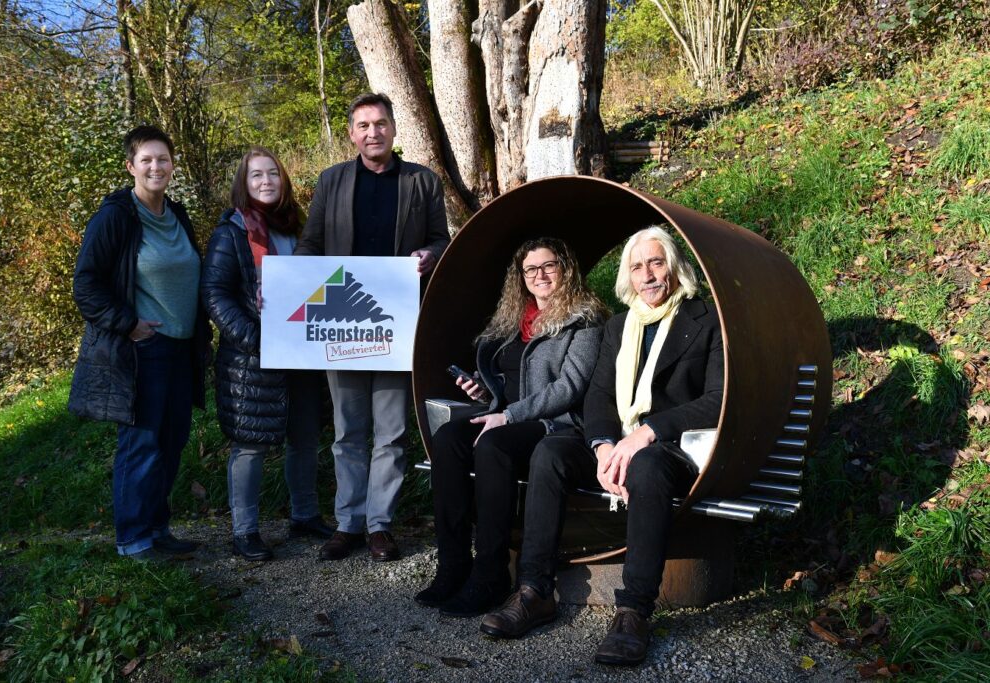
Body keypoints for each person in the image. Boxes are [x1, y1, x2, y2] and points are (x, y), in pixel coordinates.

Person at [479, 227, 724, 666]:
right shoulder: (619, 326)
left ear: (675, 267)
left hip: (672, 446)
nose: (647, 275)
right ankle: (534, 590)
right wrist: (603, 445)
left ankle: (633, 612)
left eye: (656, 262)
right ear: (627, 276)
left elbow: (717, 399)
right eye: (637, 266)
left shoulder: (705, 320)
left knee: (647, 467)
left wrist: (646, 432)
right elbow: (598, 396)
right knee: (550, 453)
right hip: (619, 442)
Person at [294, 92, 450, 562]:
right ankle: (348, 523)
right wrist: (290, 286)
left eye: (380, 123)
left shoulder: (422, 182)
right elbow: (311, 243)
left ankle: (380, 525)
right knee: (347, 431)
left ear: (394, 128)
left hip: (396, 324)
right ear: (351, 133)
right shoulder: (332, 181)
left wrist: (431, 254)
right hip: (342, 323)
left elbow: (441, 239)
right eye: (363, 125)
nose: (372, 132)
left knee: (390, 432)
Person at [415, 238, 607, 617]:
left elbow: (570, 387)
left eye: (548, 266)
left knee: (493, 445)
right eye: (530, 270)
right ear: (520, 278)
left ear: (565, 269)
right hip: (506, 415)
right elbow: (505, 381)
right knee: (449, 438)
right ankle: (453, 565)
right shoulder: (513, 320)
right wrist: (483, 389)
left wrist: (509, 415)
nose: (540, 276)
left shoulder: (585, 319)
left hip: (556, 423)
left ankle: (491, 573)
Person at [69, 125, 209, 560]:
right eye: (146, 160)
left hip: (183, 349)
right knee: (142, 443)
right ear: (131, 166)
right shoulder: (115, 216)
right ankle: (133, 539)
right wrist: (128, 324)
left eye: (163, 159)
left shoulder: (177, 214)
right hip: (144, 349)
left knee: (172, 441)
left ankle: (156, 528)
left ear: (173, 165)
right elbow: (86, 284)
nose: (156, 166)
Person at [201, 147, 334, 562]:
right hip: (251, 357)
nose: (265, 181)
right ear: (244, 182)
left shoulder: (301, 229)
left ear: (283, 180)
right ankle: (245, 530)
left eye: (272, 174)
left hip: (302, 351)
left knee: (305, 438)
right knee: (251, 445)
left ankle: (305, 515)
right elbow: (216, 295)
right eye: (256, 175)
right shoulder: (231, 233)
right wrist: (252, 337)